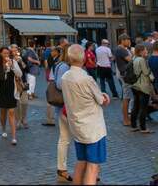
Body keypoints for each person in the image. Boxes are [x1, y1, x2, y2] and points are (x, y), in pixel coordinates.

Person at [61, 44, 110, 186]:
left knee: (81, 162)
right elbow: (101, 100)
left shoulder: (65, 77)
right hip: (92, 128)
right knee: (93, 166)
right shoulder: (86, 79)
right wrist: (105, 96)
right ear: (83, 59)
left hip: (77, 126)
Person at [0, 46, 22, 145]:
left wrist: (12, 66)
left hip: (12, 89)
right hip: (1, 90)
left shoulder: (13, 62)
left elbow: (20, 74)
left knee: (12, 112)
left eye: (8, 53)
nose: (6, 55)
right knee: (3, 113)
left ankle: (13, 137)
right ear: (0, 54)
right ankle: (3, 128)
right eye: (4, 53)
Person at [54, 45, 73, 183]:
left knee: (64, 139)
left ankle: (62, 169)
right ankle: (63, 169)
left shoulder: (60, 64)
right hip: (67, 107)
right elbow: (60, 84)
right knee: (66, 139)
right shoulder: (65, 66)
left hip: (63, 107)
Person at [130, 44, 154, 134]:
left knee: (136, 106)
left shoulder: (134, 58)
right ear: (141, 51)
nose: (146, 52)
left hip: (134, 85)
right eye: (145, 50)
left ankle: (133, 125)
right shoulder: (141, 60)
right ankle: (143, 127)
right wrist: (150, 67)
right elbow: (146, 72)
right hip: (143, 86)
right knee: (143, 107)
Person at [114, 34, 133, 126]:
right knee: (127, 97)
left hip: (125, 75)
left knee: (128, 97)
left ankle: (127, 118)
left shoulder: (122, 49)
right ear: (122, 40)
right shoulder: (121, 49)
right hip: (126, 75)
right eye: (127, 40)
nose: (129, 42)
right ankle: (126, 119)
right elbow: (131, 60)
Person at [10, 44, 29, 130]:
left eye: (16, 50)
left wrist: (21, 62)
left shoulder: (22, 58)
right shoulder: (9, 60)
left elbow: (27, 69)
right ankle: (18, 120)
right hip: (13, 82)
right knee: (17, 103)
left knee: (24, 102)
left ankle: (24, 119)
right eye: (12, 51)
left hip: (23, 82)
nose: (14, 52)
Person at [42, 46, 60, 127]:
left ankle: (51, 119)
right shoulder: (53, 58)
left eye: (52, 51)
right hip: (52, 80)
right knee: (50, 101)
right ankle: (50, 119)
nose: (51, 52)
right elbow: (48, 65)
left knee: (51, 100)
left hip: (53, 81)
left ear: (57, 52)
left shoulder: (58, 60)